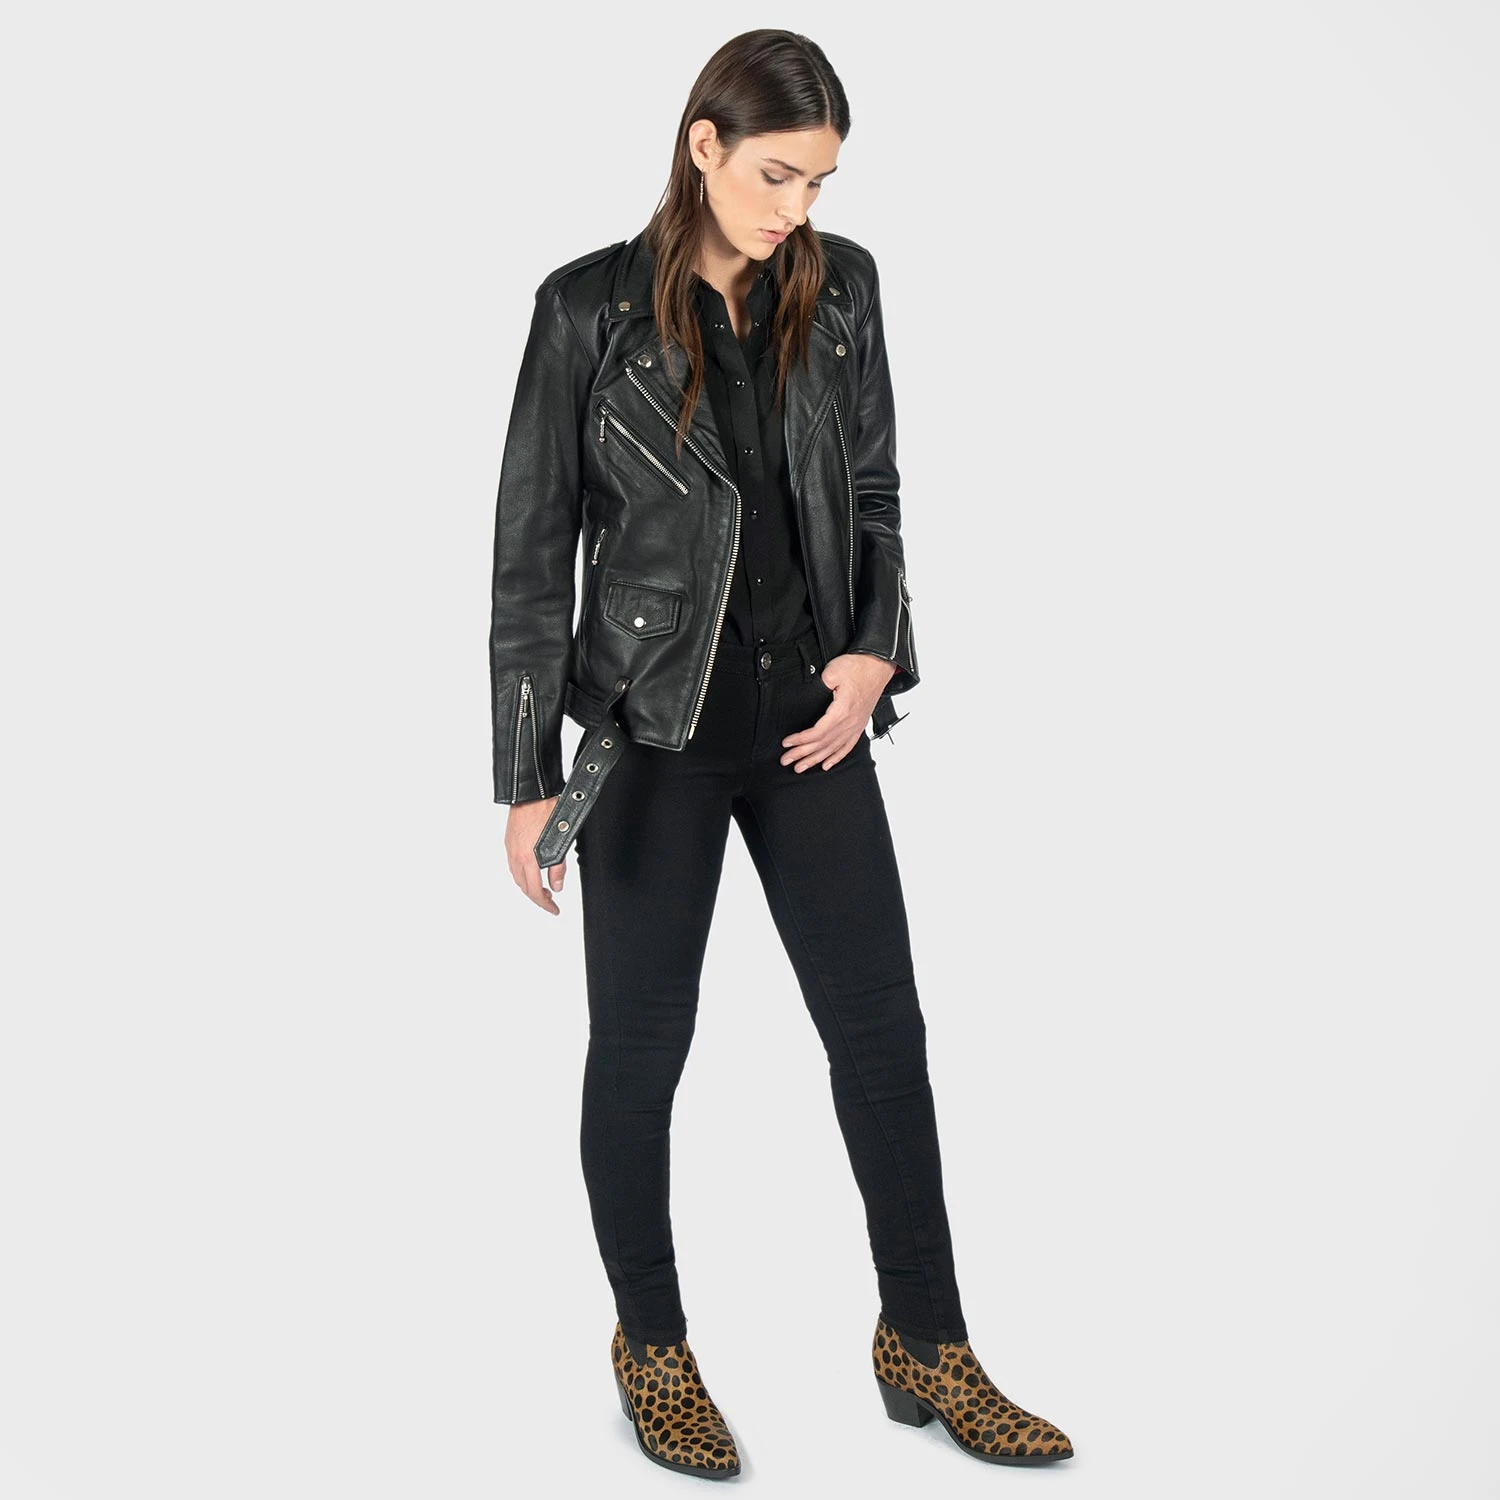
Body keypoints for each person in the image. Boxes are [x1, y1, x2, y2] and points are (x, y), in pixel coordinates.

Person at [488, 28, 1074, 1480]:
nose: (794, 208)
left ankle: (927, 1341)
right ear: (704, 145)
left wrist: (877, 650)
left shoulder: (842, 285)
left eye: (817, 182)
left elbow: (873, 487)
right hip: (651, 732)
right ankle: (652, 1344)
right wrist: (524, 776)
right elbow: (530, 552)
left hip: (811, 725)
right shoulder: (584, 310)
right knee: (640, 1053)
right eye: (774, 175)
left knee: (883, 1036)